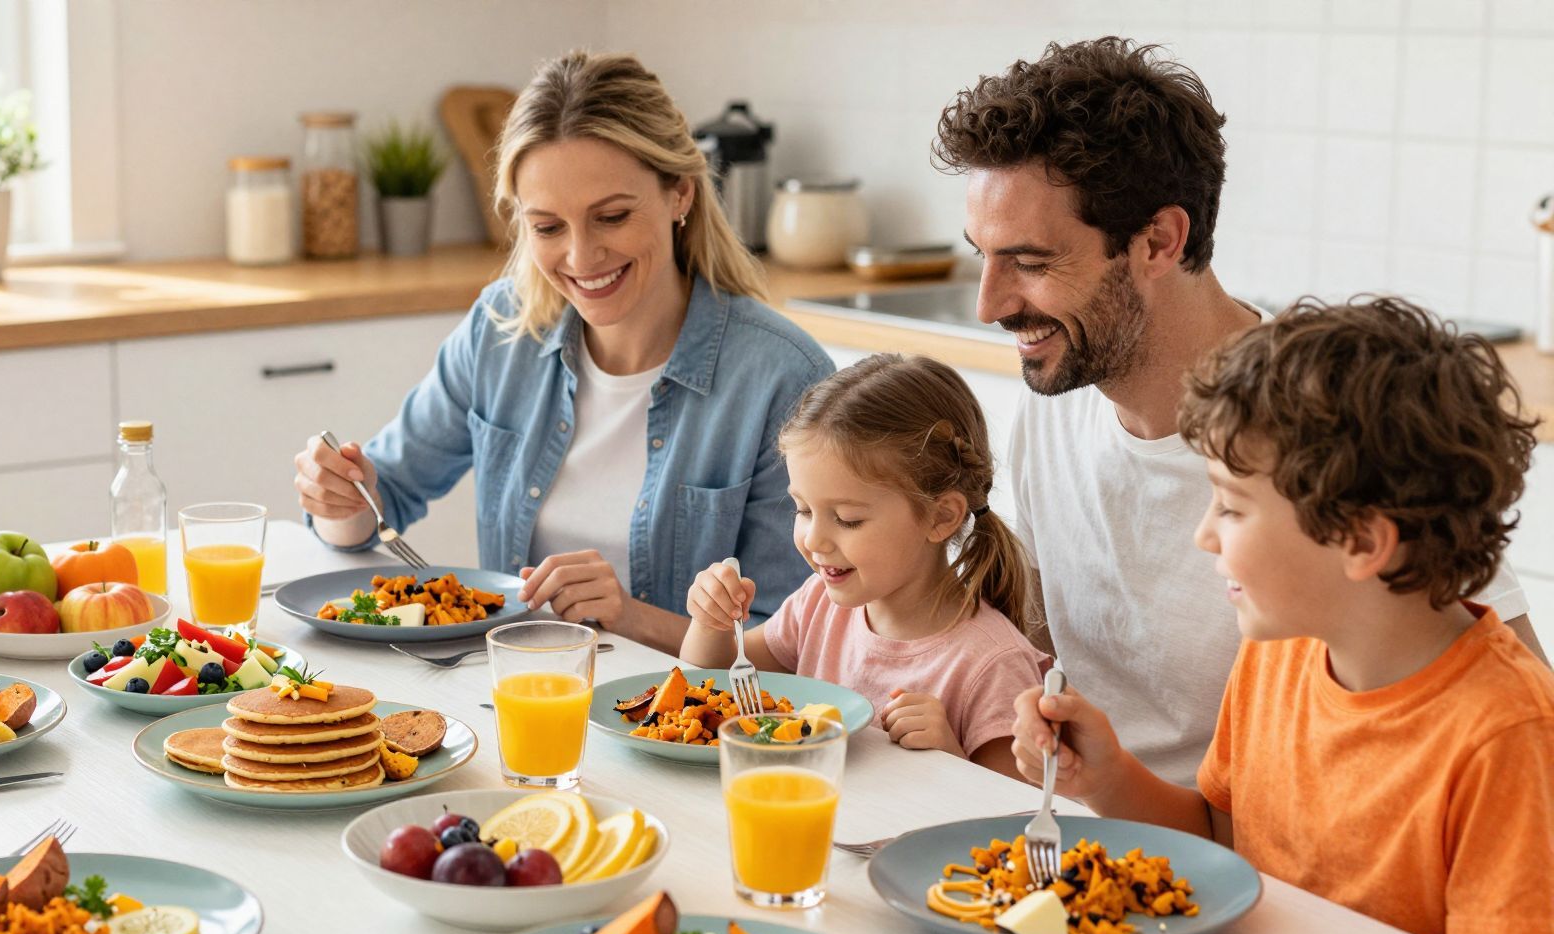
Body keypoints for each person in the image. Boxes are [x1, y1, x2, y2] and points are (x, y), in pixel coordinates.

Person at [1008, 299, 1554, 934]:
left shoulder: (1503, 733)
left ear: (1362, 541)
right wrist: (1109, 775)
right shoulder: (1280, 655)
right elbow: (1223, 838)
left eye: (1229, 506)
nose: (1202, 536)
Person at [934, 37, 1543, 784]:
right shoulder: (1053, 408)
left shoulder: (1319, 421)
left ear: (1158, 240)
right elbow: (1047, 655)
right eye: (981, 256)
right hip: (1104, 836)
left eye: (1030, 263)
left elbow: (1516, 715)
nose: (988, 304)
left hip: (1275, 862)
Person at [293, 50, 832, 652]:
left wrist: (626, 615)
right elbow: (381, 499)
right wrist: (342, 496)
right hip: (518, 694)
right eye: (548, 227)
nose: (581, 257)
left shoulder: (782, 377)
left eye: (612, 217)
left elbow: (794, 648)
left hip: (679, 728)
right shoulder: (501, 331)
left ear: (680, 193)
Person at [682, 354, 1047, 777]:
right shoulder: (818, 605)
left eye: (847, 519)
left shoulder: (992, 664)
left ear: (940, 517)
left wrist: (950, 755)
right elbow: (707, 689)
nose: (814, 540)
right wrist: (710, 623)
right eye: (802, 509)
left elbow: (1010, 822)